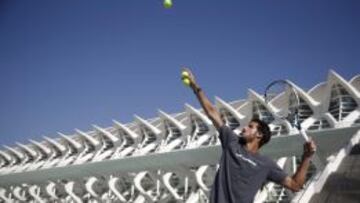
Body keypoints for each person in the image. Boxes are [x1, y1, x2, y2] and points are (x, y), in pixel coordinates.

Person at [182, 68, 316, 203]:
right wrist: (195, 87)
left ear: (259, 135)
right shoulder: (231, 142)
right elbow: (212, 113)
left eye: (250, 126)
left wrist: (306, 157)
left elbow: (295, 185)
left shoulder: (266, 164)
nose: (244, 128)